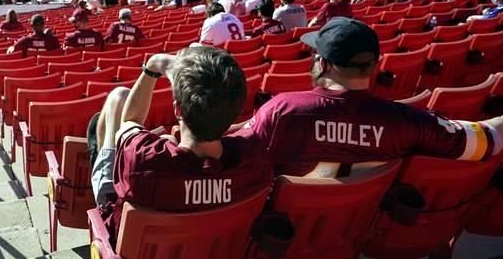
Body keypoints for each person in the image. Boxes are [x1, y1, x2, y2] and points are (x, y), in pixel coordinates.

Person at [235, 18, 503, 177]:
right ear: (375, 65)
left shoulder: (282, 110)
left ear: (323, 63)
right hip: (359, 232)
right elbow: (486, 142)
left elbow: (227, 155)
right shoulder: (406, 120)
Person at [88, 47, 273, 245]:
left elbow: (129, 120)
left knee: (117, 98)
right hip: (208, 244)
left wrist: (153, 66)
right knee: (168, 139)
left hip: (131, 232)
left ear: (177, 109)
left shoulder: (142, 157)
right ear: (235, 114)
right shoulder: (254, 163)